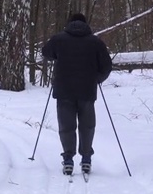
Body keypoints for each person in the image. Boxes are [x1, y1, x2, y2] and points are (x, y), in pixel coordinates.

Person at [41, 12, 113, 175]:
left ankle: (68, 159)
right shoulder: (95, 42)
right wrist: (97, 78)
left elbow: (46, 53)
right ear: (86, 24)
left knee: (67, 126)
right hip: (87, 90)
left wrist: (58, 54)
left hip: (64, 90)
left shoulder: (59, 39)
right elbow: (107, 66)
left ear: (69, 23)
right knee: (87, 126)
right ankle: (86, 158)